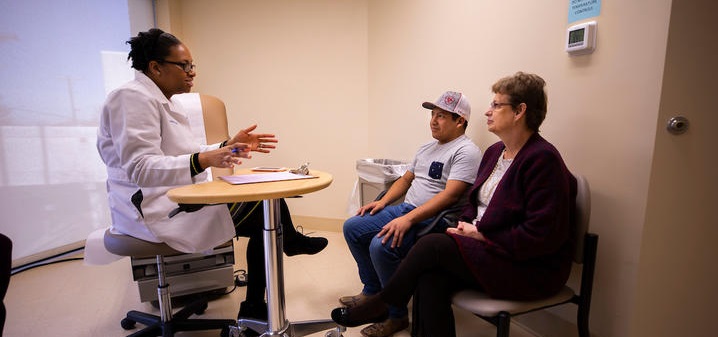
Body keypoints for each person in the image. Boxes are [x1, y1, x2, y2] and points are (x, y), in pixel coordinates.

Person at [96, 28, 327, 331]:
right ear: (156, 67)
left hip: (174, 197)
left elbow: (187, 152)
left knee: (266, 207)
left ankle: (261, 296)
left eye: (193, 66)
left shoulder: (167, 101)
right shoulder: (131, 98)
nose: (192, 73)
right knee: (264, 210)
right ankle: (264, 290)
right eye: (185, 65)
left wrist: (226, 145)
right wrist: (202, 160)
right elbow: (139, 168)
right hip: (150, 210)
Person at [331, 72, 577, 337]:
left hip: (525, 266)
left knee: (431, 245)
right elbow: (473, 203)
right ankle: (384, 302)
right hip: (488, 249)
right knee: (429, 277)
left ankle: (384, 302)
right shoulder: (496, 153)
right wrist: (466, 225)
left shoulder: (542, 160)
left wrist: (481, 233)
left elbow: (542, 236)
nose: (487, 112)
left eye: (496, 105)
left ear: (520, 111)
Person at [341, 91, 481, 337]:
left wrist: (407, 219)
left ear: (460, 121)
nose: (433, 121)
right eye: (432, 115)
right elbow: (406, 179)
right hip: (407, 209)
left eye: (441, 116)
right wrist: (383, 202)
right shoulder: (427, 147)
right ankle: (372, 291)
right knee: (352, 227)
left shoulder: (466, 151)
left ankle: (396, 317)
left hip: (434, 219)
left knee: (381, 245)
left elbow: (449, 196)